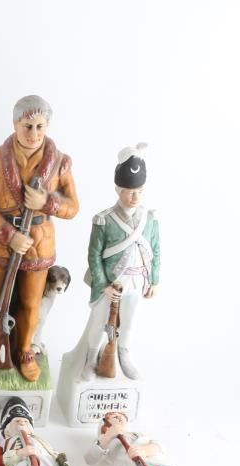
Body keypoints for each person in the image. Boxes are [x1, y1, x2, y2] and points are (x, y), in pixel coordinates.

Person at [0, 95, 79, 382]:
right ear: (15, 124)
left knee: (31, 302)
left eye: (40, 126)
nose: (33, 134)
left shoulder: (61, 163)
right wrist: (9, 234)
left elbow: (72, 207)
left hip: (39, 242)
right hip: (1, 240)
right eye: (27, 126)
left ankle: (25, 351)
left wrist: (47, 203)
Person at [79, 144, 160, 380]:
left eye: (139, 191)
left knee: (130, 322)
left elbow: (155, 250)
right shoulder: (104, 219)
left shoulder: (150, 219)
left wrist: (154, 280)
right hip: (110, 283)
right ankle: (91, 359)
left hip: (136, 282)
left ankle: (124, 354)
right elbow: (94, 255)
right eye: (130, 191)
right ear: (118, 190)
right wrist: (103, 284)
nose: (135, 197)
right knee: (99, 323)